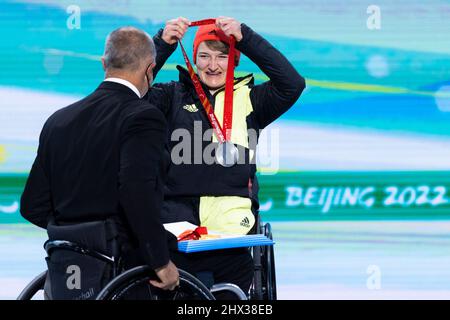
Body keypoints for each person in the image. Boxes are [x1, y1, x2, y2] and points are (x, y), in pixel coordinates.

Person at [148, 17, 306, 296]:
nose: (212, 65)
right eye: (204, 56)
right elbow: (128, 94)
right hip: (176, 235)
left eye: (223, 57)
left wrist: (246, 37)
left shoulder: (253, 100)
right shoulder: (170, 95)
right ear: (193, 59)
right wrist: (161, 45)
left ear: (234, 61)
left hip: (231, 238)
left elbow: (293, 83)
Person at [20, 27, 179, 299]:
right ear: (150, 70)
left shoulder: (58, 121)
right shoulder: (143, 116)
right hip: (122, 273)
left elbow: (32, 205)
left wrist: (75, 234)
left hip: (66, 270)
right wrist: (161, 262)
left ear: (103, 64)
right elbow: (136, 193)